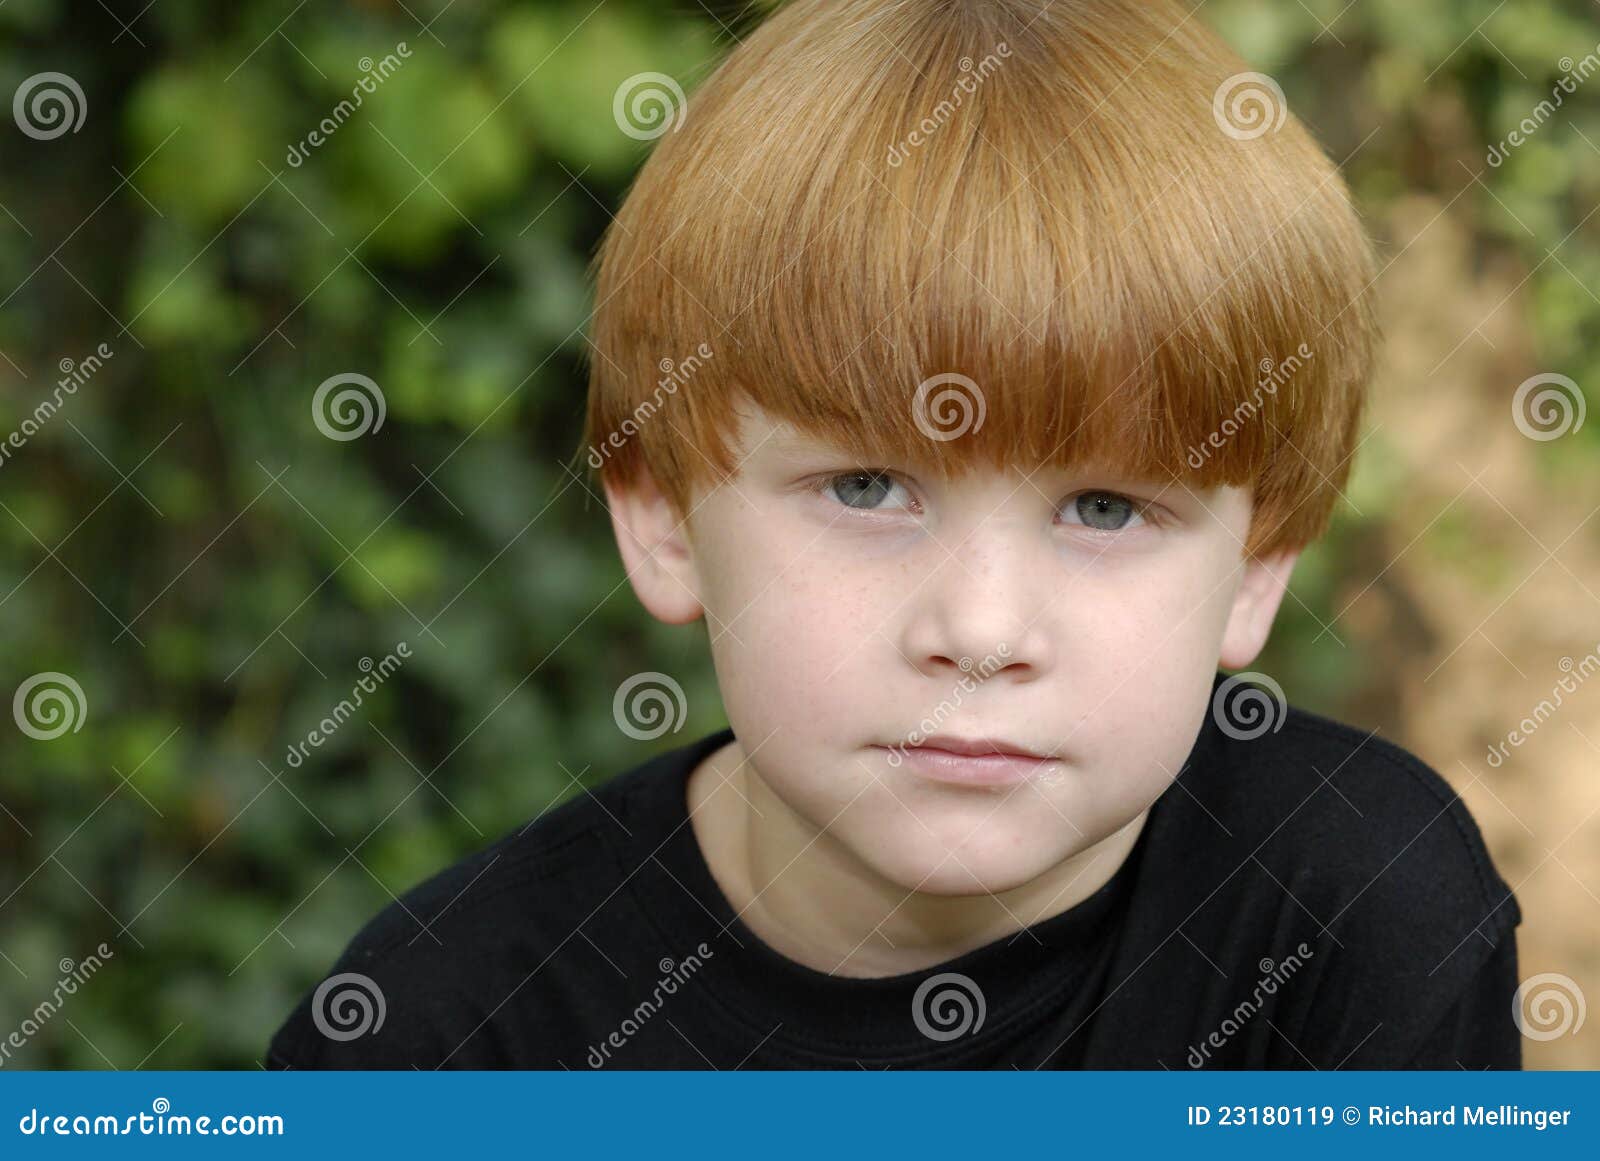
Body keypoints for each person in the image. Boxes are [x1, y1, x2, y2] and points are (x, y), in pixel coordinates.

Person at [267, 0, 1522, 1069]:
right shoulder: (439, 1035)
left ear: (1257, 568)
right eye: (866, 489)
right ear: (661, 514)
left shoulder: (1355, 913)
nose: (978, 631)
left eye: (1103, 508)